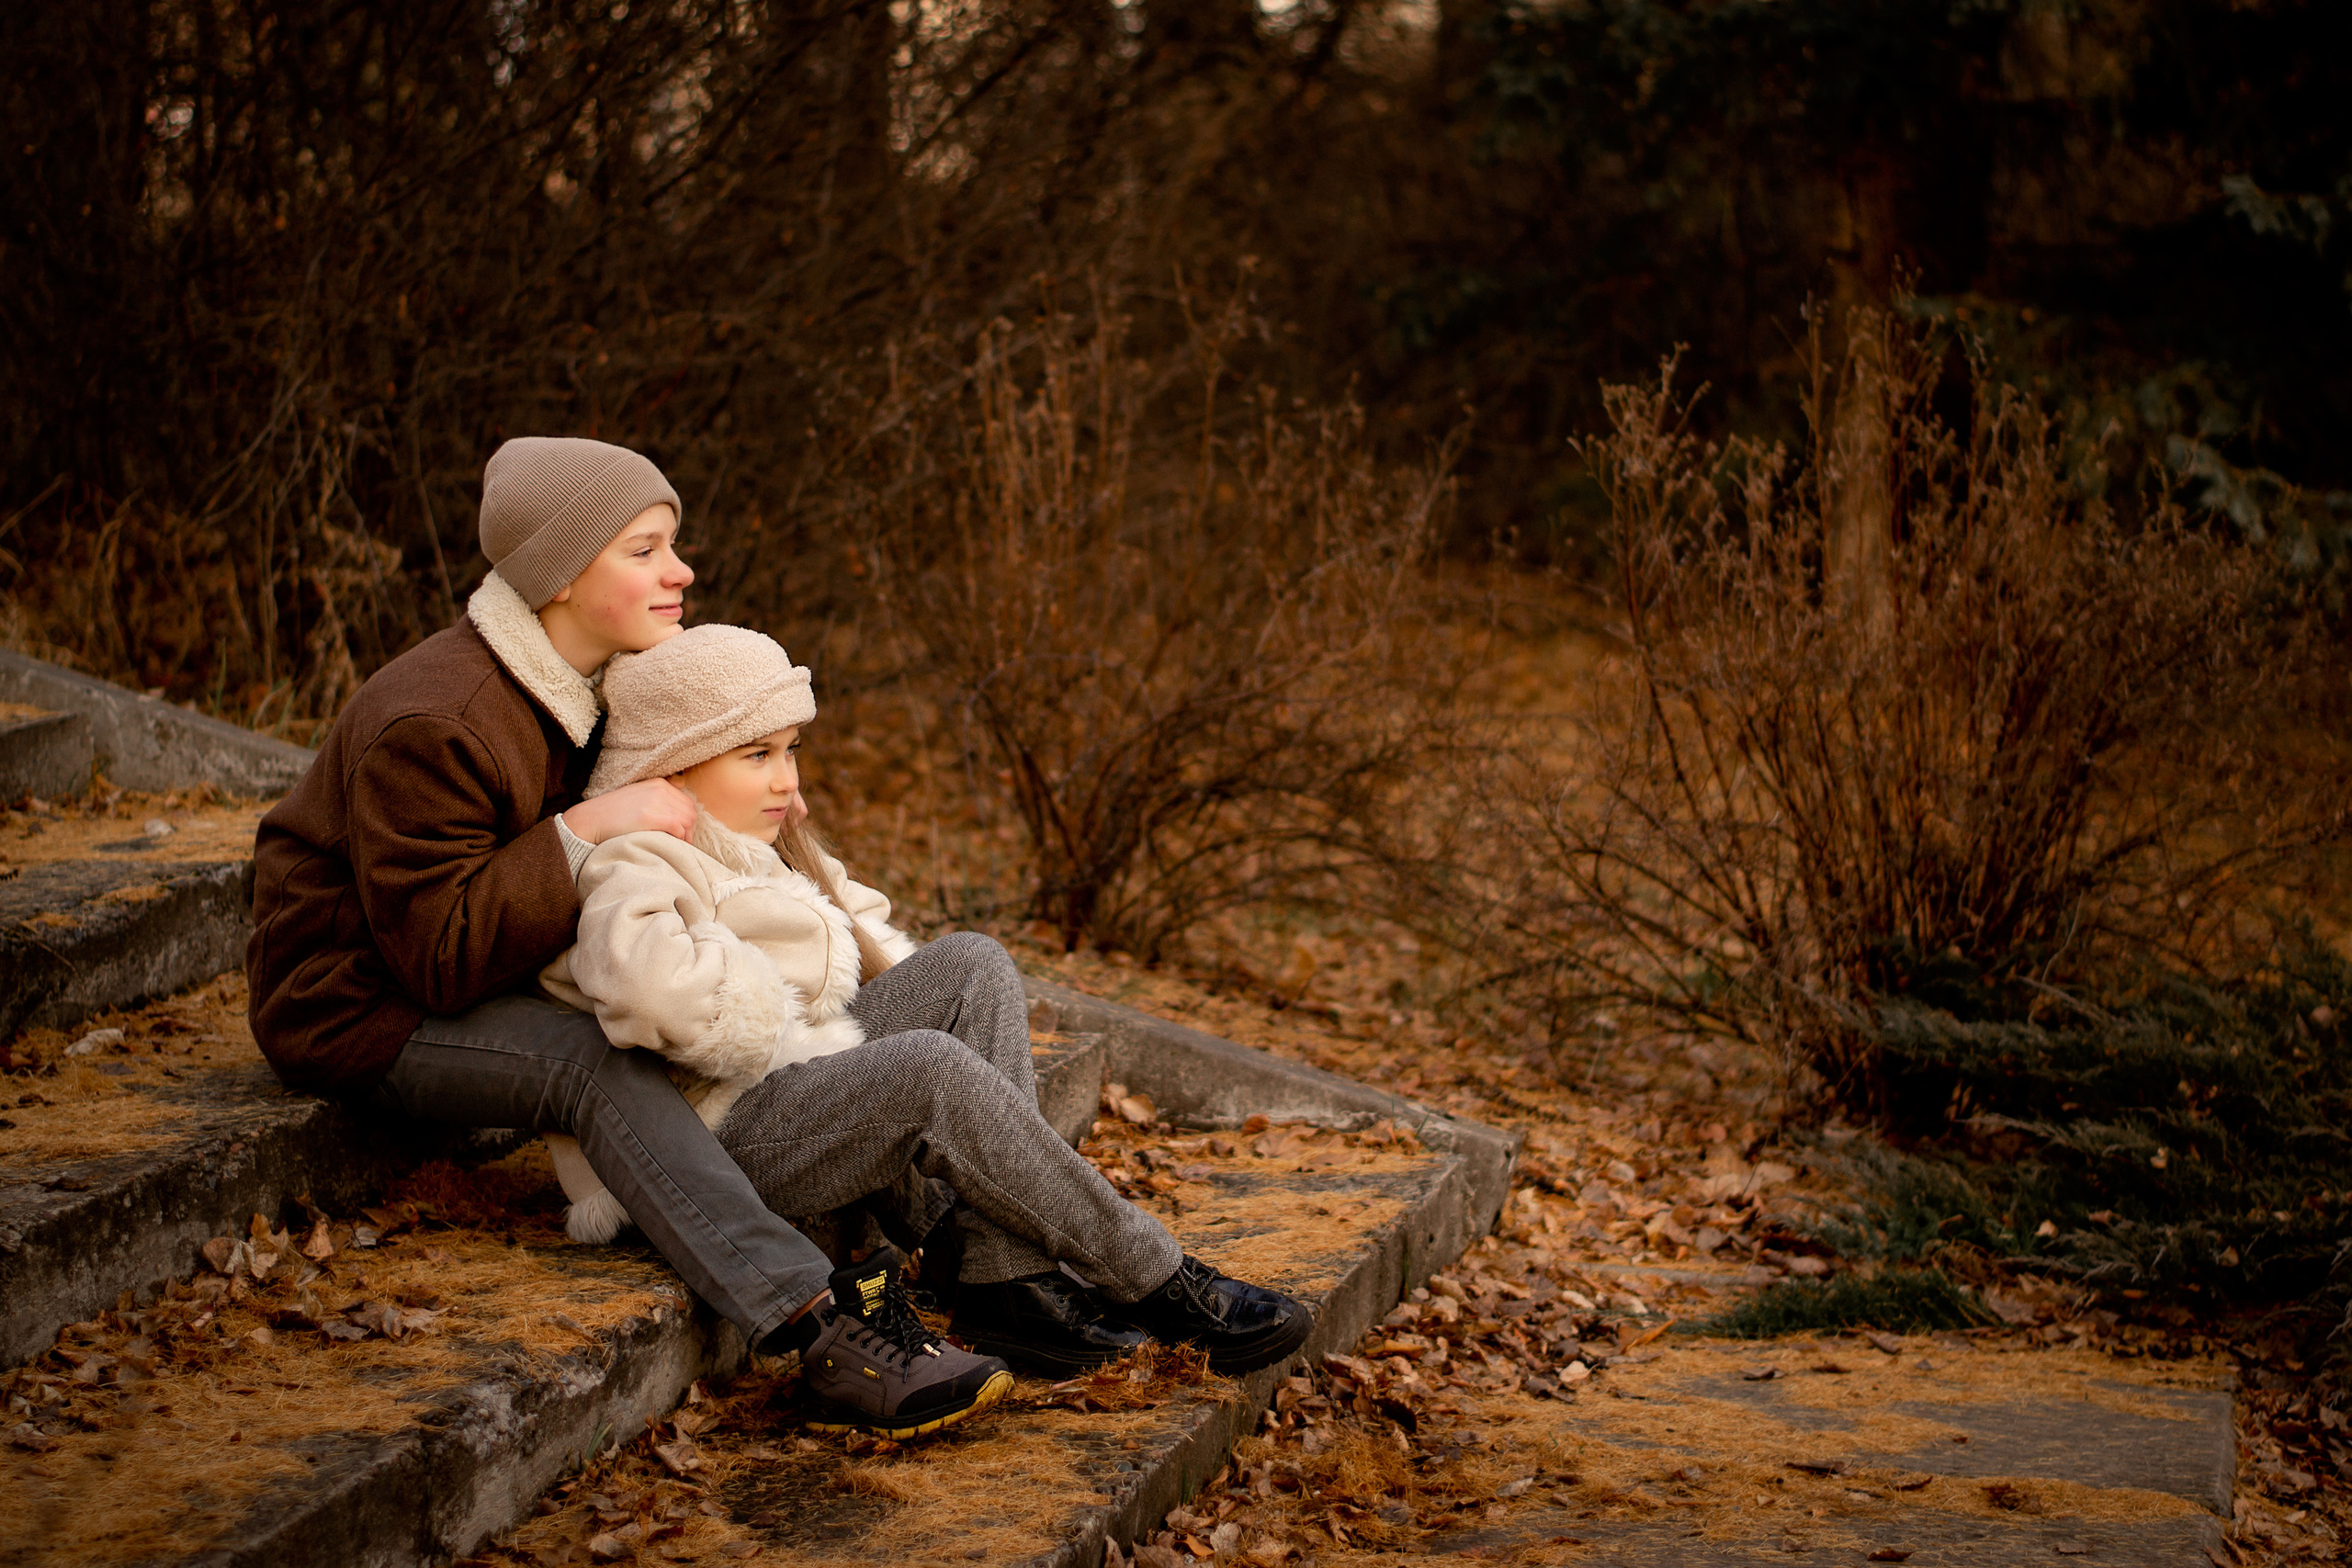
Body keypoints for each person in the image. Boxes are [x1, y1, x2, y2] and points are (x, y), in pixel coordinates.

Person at [244, 436, 995, 1438]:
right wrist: (584, 830)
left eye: (672, 545)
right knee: (594, 1061)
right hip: (358, 1000)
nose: (678, 570)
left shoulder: (592, 687)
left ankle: (961, 1265)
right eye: (644, 550)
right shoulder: (437, 718)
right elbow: (435, 955)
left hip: (502, 963)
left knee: (791, 1007)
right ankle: (821, 1332)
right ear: (560, 574)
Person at [545, 623, 1316, 1380]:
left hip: (792, 1091)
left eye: (791, 752)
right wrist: (771, 993)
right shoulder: (636, 857)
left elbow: (862, 946)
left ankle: (1005, 1279)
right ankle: (1159, 1277)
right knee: (928, 1069)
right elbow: (643, 991)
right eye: (758, 756)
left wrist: (795, 865)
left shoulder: (752, 840)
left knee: (972, 962)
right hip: (707, 1137)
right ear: (675, 770)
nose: (787, 779)